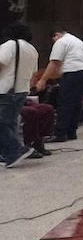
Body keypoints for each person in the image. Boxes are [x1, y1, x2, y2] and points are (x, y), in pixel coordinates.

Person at [34, 29, 83, 142]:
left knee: (65, 103)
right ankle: (71, 132)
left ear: (56, 35)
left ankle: (60, 133)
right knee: (76, 103)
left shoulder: (61, 42)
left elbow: (54, 62)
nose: (54, 42)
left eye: (53, 39)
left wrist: (43, 80)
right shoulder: (77, 41)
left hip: (72, 74)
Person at [0, 23, 37, 167]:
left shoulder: (10, 45)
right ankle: (8, 154)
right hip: (21, 90)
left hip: (6, 89)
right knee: (10, 122)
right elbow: (33, 74)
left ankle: (16, 149)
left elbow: (1, 63)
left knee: (3, 122)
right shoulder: (32, 49)